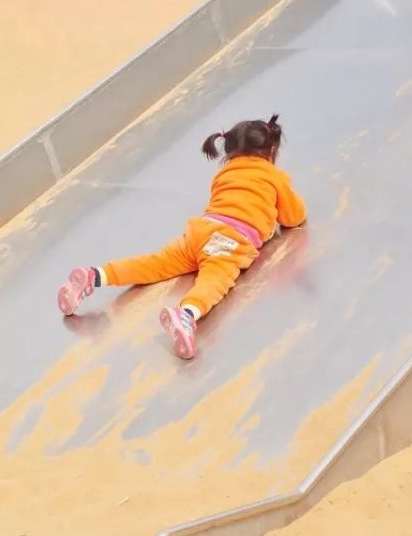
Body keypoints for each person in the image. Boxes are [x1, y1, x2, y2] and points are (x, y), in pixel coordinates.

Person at [56, 114, 306, 359]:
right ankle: (186, 314)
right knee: (215, 280)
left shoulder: (224, 174)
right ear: (272, 151)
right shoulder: (274, 177)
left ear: (231, 151)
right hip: (230, 242)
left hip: (201, 232)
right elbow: (294, 218)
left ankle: (95, 275)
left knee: (154, 264)